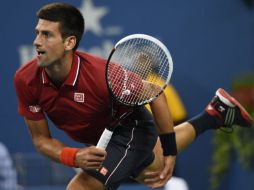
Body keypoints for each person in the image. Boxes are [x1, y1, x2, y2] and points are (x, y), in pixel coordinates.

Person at [13, 3, 253, 190]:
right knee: (151, 170)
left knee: (82, 186)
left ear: (69, 42)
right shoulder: (25, 79)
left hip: (132, 127)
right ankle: (214, 114)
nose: (37, 42)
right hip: (98, 137)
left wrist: (170, 152)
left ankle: (211, 117)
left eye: (47, 35)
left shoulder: (100, 75)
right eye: (37, 33)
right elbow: (41, 141)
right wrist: (73, 156)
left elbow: (156, 95)